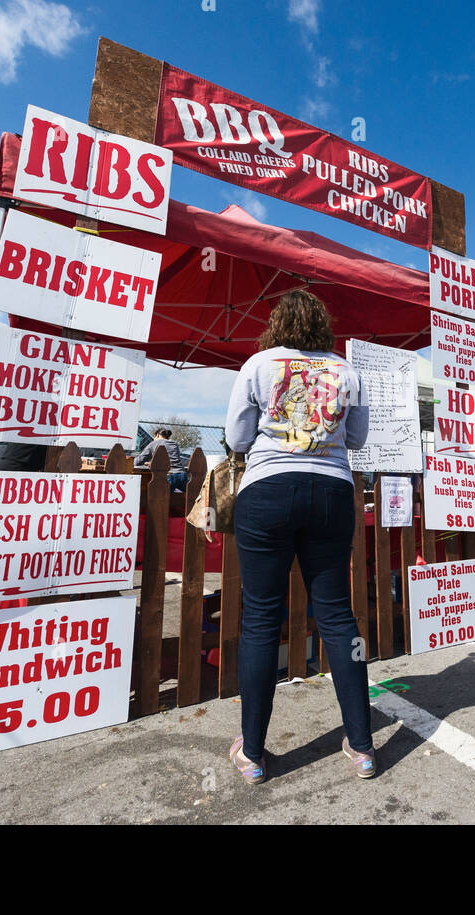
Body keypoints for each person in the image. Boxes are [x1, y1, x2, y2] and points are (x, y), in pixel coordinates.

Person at [223, 289, 373, 784]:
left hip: (268, 488)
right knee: (336, 614)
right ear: (322, 327)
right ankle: (362, 745)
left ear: (278, 325)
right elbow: (356, 440)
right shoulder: (347, 371)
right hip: (332, 491)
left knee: (262, 618)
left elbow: (237, 439)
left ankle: (254, 754)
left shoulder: (259, 364)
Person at [135, 427, 188, 492]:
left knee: (161, 497)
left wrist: (131, 462)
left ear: (157, 435)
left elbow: (139, 460)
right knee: (189, 497)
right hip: (182, 474)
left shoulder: (153, 443)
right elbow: (171, 459)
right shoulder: (175, 444)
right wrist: (152, 463)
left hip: (169, 475)